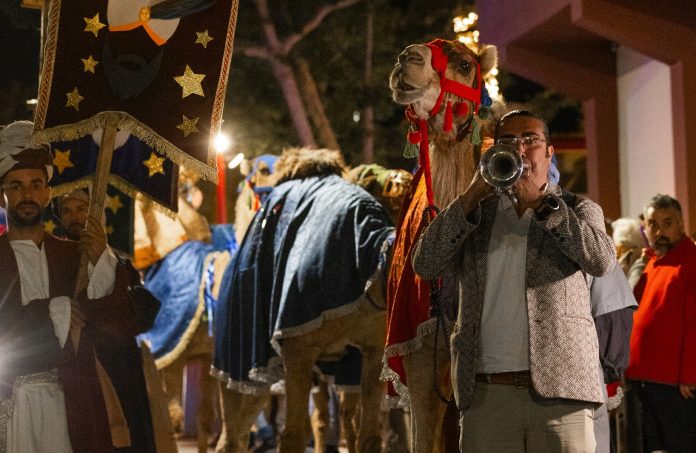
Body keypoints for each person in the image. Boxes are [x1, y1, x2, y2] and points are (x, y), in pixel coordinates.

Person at [412, 110, 616, 452]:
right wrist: (470, 196)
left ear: (549, 152)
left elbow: (601, 261)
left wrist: (543, 206)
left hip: (562, 394)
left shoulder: (577, 208)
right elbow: (425, 263)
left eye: (530, 140)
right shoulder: (476, 213)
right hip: (487, 393)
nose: (520, 149)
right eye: (508, 141)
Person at [0, 120, 139, 453]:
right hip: (10, 404)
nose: (27, 194)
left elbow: (118, 323)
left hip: (71, 405)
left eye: (36, 184)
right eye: (16, 186)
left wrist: (100, 259)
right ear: (2, 195)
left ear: (47, 193)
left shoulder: (73, 256)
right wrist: (55, 311)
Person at [57, 189, 158, 453]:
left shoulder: (120, 265)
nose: (74, 217)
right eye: (66, 211)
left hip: (118, 367)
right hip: (76, 369)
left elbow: (131, 316)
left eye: (82, 208)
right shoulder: (55, 262)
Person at [626, 194, 696, 453]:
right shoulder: (650, 262)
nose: (659, 231)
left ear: (681, 224)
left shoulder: (691, 261)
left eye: (667, 223)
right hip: (642, 377)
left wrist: (690, 375)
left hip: (675, 382)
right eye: (653, 224)